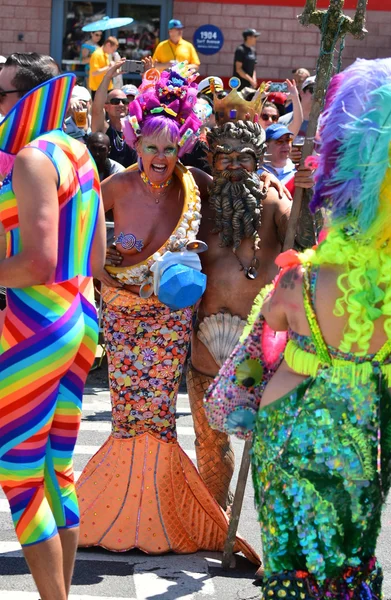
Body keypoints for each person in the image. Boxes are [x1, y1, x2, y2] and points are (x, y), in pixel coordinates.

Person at [75, 63, 260, 565]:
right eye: (152, 147)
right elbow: (82, 232)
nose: (160, 157)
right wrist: (103, 274)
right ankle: (109, 509)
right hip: (121, 315)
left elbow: (245, 197)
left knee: (156, 414)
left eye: (170, 148)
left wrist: (294, 190)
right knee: (124, 412)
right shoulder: (113, 188)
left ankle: (158, 512)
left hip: (169, 318)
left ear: (181, 148)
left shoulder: (195, 183)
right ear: (135, 144)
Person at [251, 56, 391, 598]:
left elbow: (268, 324)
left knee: (293, 557)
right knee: (351, 554)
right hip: (366, 434)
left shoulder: (302, 280)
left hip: (293, 430)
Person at [0, 52, 106, 600]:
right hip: (79, 314)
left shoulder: (32, 159)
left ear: (28, 98)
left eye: (1, 94)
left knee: (20, 478)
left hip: (33, 324)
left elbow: (37, 262)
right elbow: (99, 252)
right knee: (54, 472)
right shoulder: (77, 150)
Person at [186, 85, 295, 509]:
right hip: (204, 348)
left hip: (262, 347)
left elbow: (303, 241)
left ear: (259, 160)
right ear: (211, 160)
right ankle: (215, 518)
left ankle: (277, 540)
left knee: (270, 446)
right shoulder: (197, 201)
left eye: (243, 157)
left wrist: (301, 189)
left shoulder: (274, 201)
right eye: (223, 157)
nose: (234, 166)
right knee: (209, 444)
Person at [91, 62, 137, 168]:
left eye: (124, 101)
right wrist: (108, 76)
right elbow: (97, 109)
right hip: (108, 182)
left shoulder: (136, 128)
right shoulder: (103, 129)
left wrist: (148, 75)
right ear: (106, 107)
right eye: (115, 101)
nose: (121, 104)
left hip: (132, 182)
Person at [259, 124, 296, 194]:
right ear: (266, 146)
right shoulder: (258, 172)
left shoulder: (298, 172)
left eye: (288, 140)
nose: (285, 145)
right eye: (280, 141)